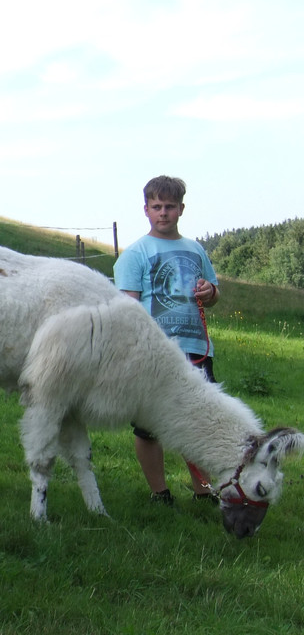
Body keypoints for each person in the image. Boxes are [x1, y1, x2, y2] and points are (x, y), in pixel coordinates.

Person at [113, 175, 220, 505]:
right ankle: (159, 492)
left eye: (169, 207)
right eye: (156, 207)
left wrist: (210, 291)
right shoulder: (135, 254)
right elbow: (126, 309)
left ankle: (203, 491)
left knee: (202, 419)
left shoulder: (195, 249)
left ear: (181, 209)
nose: (163, 213)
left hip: (196, 350)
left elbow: (213, 294)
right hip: (153, 354)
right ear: (145, 210)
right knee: (149, 426)